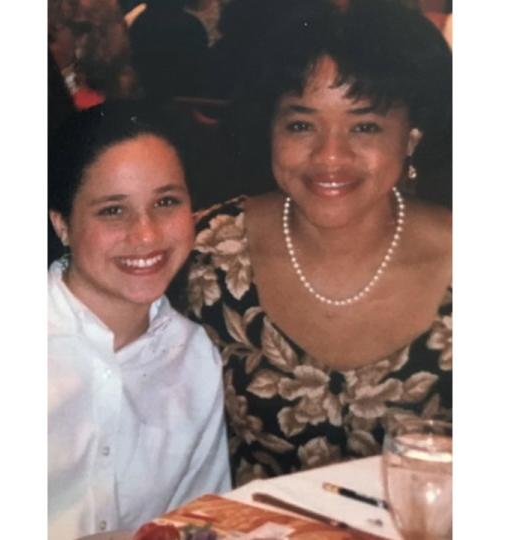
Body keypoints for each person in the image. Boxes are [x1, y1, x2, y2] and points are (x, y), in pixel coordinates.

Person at [181, 0, 452, 486]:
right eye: (301, 125)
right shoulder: (207, 254)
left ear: (410, 138)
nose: (330, 156)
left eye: (364, 126)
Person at [48, 102, 230, 539]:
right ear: (62, 224)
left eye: (166, 202)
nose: (146, 233)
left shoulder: (193, 356)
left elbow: (199, 523)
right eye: (113, 210)